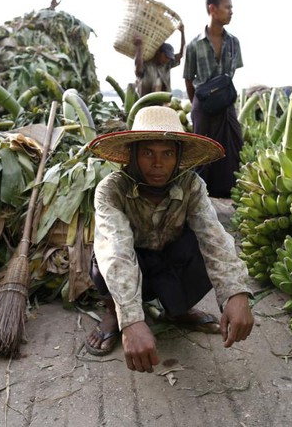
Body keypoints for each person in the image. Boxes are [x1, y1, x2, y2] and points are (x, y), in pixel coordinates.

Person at [84, 105, 254, 373]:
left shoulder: (191, 186)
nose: (158, 164)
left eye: (167, 154)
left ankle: (178, 310)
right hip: (132, 261)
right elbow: (116, 250)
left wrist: (236, 292)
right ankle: (112, 312)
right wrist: (130, 320)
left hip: (169, 259)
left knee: (199, 247)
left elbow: (214, 237)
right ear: (133, 154)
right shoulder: (112, 189)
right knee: (101, 261)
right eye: (148, 153)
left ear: (178, 157)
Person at [183, 0, 244, 198]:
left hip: (225, 103)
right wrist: (198, 106)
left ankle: (228, 193)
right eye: (227, 7)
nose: (231, 12)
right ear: (213, 9)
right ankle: (199, 198)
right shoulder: (194, 45)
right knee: (202, 152)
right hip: (204, 104)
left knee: (233, 146)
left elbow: (231, 75)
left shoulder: (234, 42)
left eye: (231, 8)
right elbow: (188, 79)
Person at [133, 23, 185, 97]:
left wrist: (182, 33)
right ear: (158, 52)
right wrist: (139, 48)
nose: (167, 59)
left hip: (162, 103)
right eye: (165, 56)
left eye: (169, 58)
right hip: (145, 103)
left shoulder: (167, 65)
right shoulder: (147, 64)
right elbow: (138, 71)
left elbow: (181, 53)